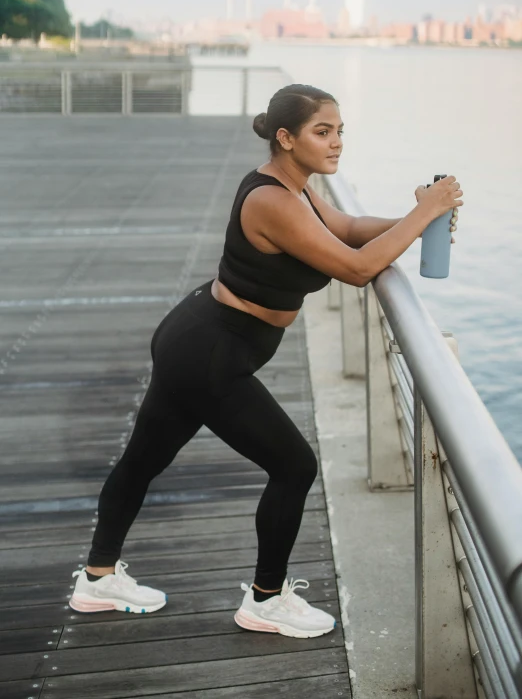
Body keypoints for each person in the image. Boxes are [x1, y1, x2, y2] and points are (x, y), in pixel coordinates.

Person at [69, 84, 462, 638]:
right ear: (286, 137)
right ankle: (266, 600)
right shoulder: (271, 200)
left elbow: (347, 232)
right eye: (322, 132)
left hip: (200, 337)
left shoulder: (293, 187)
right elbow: (355, 268)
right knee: (293, 465)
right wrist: (423, 213)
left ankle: (97, 579)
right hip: (210, 352)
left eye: (340, 131)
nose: (336, 143)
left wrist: (416, 219)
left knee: (143, 461)